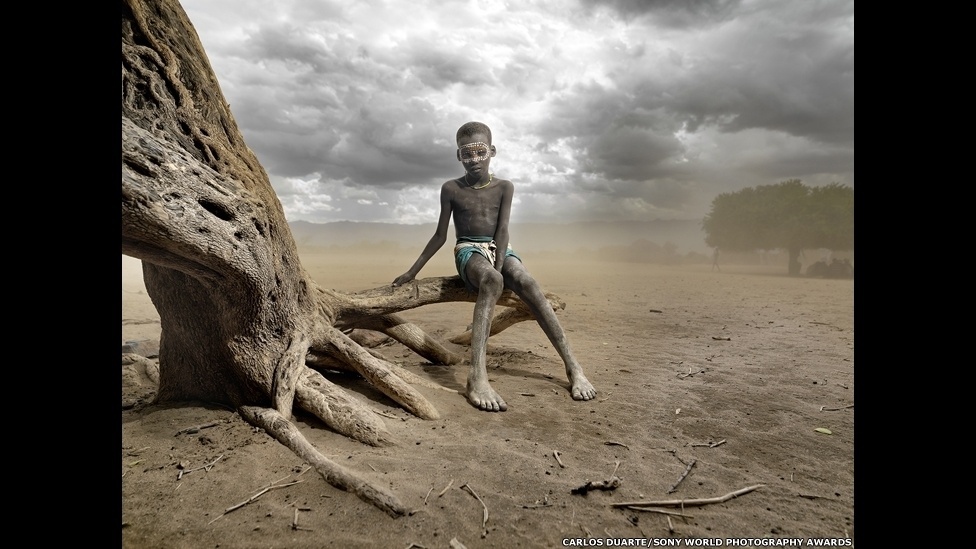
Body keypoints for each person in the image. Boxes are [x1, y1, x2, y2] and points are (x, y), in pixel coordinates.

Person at [392, 121, 596, 412]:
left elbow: (503, 230)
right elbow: (440, 236)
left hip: (499, 247)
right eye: (467, 153)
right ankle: (477, 377)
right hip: (468, 249)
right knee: (490, 280)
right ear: (458, 155)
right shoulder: (451, 188)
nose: (474, 159)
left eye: (480, 152)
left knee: (527, 282)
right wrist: (412, 272)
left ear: (492, 151)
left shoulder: (504, 187)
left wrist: (500, 265)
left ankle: (574, 367)